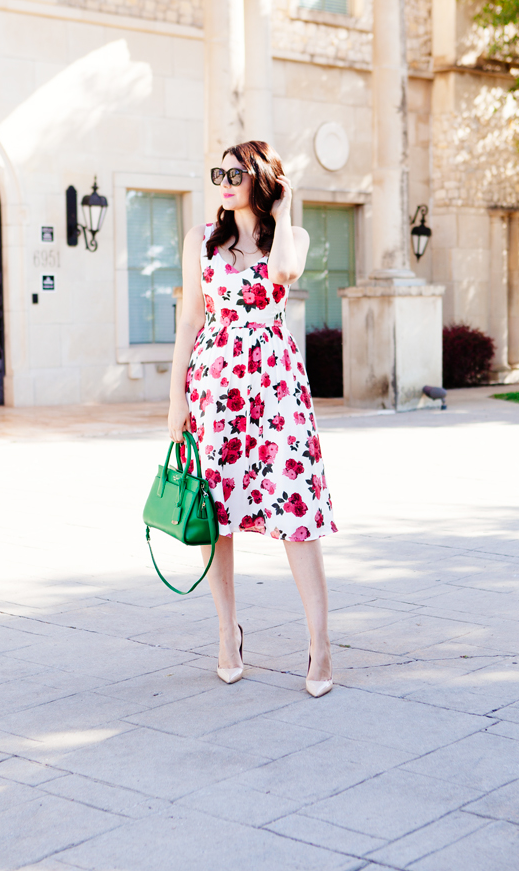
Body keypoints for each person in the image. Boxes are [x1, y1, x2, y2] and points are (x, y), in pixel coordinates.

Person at [168, 140, 336, 698]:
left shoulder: (292, 237)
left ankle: (320, 642)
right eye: (219, 171)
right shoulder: (200, 240)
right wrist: (176, 400)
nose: (224, 180)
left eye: (236, 172)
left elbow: (285, 273)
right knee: (215, 518)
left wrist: (283, 213)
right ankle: (226, 633)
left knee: (295, 507)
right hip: (215, 388)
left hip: (276, 386)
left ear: (262, 180)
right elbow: (190, 320)